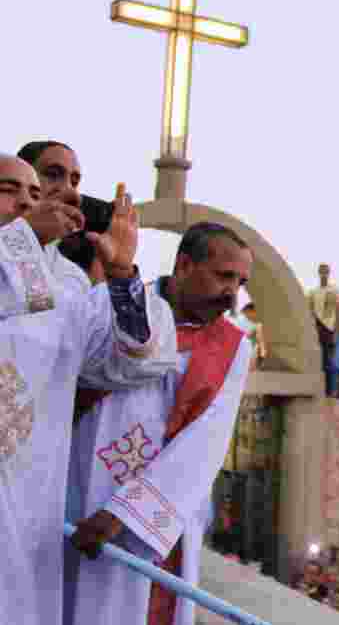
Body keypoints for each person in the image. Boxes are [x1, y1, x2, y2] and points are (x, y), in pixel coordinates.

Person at [0, 167, 177, 625]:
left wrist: (121, 274)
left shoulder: (67, 295)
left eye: (35, 194)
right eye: (9, 190)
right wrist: (23, 238)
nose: (26, 202)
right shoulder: (29, 273)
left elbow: (133, 358)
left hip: (28, 495)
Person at [64, 222, 255, 625]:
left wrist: (124, 513)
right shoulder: (105, 305)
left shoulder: (234, 349)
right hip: (74, 484)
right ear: (184, 264)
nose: (231, 293)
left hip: (147, 520)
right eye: (224, 276)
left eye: (240, 282)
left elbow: (204, 444)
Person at [17, 140, 99, 290]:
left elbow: (37, 308)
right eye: (53, 175)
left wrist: (122, 276)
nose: (71, 192)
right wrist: (24, 234)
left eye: (74, 183)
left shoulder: (73, 277)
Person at [309, 264, 339, 396]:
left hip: (329, 329)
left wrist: (337, 331)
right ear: (318, 273)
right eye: (321, 272)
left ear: (329, 273)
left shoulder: (334, 290)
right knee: (319, 361)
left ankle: (331, 392)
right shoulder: (313, 292)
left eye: (326, 272)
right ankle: (320, 391)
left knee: (329, 361)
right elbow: (310, 311)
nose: (324, 274)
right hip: (317, 329)